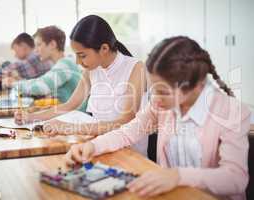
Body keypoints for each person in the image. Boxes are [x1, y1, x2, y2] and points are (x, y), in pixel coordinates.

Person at [65, 36, 251, 200]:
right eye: (154, 89)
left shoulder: (232, 112)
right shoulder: (161, 104)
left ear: (196, 87)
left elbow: (235, 178)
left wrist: (178, 176)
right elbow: (127, 133)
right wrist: (93, 146)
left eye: (163, 92)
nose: (156, 98)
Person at [15, 15, 146, 137]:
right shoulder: (93, 69)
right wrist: (30, 117)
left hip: (129, 152)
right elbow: (69, 105)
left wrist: (70, 127)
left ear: (104, 49)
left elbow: (124, 122)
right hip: (100, 143)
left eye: (82, 55)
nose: (78, 62)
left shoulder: (136, 68)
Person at [7, 26, 81, 105]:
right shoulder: (62, 63)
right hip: (68, 113)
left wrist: (13, 84)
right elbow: (40, 81)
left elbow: (42, 87)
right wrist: (18, 82)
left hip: (74, 115)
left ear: (52, 44)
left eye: (39, 45)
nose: (36, 50)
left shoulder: (65, 65)